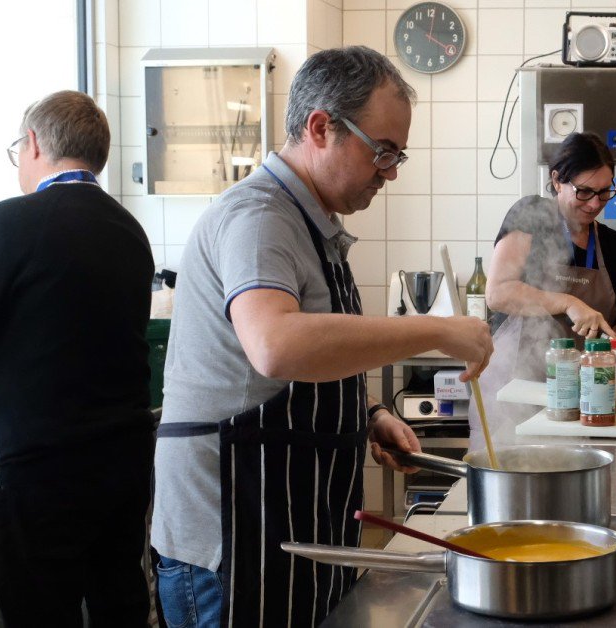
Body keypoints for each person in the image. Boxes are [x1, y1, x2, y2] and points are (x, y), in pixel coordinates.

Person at [150, 46, 492, 627]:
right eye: (382, 152)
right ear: (320, 128)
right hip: (234, 539)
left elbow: (307, 356)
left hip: (285, 524)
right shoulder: (260, 216)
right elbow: (276, 344)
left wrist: (367, 411)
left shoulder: (311, 221)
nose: (390, 172)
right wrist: (434, 328)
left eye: (397, 155)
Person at [0, 90, 156, 625]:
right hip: (124, 467)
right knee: (120, 606)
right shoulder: (128, 231)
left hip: (46, 474)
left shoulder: (13, 221)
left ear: (35, 143)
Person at [475, 131, 616, 447]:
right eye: (584, 192)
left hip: (592, 400)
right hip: (521, 391)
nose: (595, 203)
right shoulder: (532, 216)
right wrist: (567, 301)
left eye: (605, 191)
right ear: (556, 180)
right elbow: (498, 293)